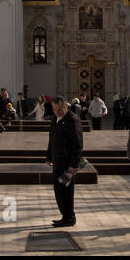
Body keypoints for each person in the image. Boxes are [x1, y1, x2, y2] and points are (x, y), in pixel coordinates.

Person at [46, 96, 83, 227]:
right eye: (55, 109)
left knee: (66, 191)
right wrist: (49, 156)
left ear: (66, 106)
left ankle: (69, 217)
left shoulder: (73, 120)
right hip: (57, 162)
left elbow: (78, 144)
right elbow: (52, 139)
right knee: (58, 189)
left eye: (60, 109)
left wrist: (74, 165)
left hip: (68, 164)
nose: (57, 112)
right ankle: (65, 215)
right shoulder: (55, 119)